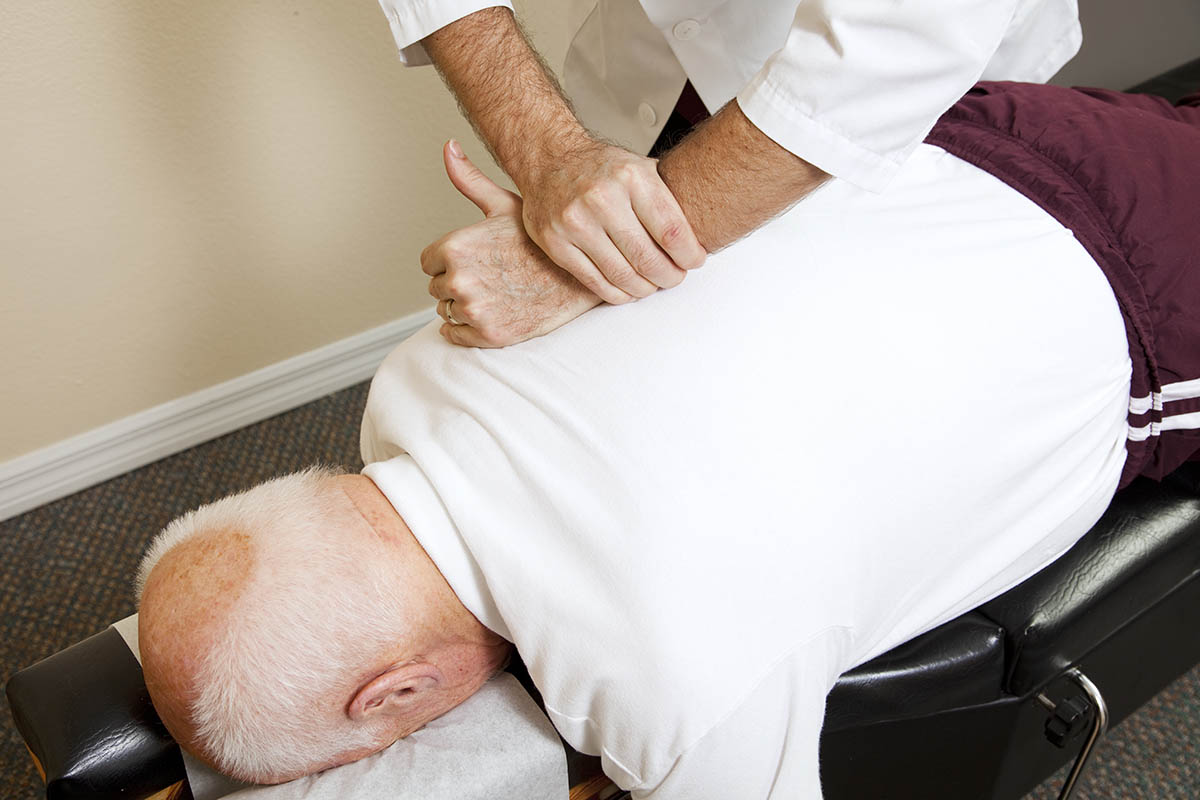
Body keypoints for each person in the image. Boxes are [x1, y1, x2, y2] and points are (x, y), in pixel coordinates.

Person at [135, 82, 1200, 797]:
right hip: (938, 140)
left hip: (1136, 277)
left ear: (397, 694)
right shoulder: (412, 378)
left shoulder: (678, 688)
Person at [374, 0, 1084, 345]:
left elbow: (888, 45)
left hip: (893, 99)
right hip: (642, 86)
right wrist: (553, 160)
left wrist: (588, 261)